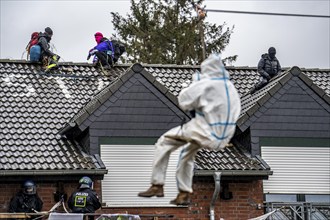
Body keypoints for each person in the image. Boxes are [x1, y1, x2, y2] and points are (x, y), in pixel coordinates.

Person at [138, 54, 241, 205]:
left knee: (164, 142)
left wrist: (194, 84)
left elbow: (184, 101)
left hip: (204, 130)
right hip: (224, 136)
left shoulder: (206, 83)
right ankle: (184, 193)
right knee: (187, 154)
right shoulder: (231, 87)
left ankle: (157, 185)